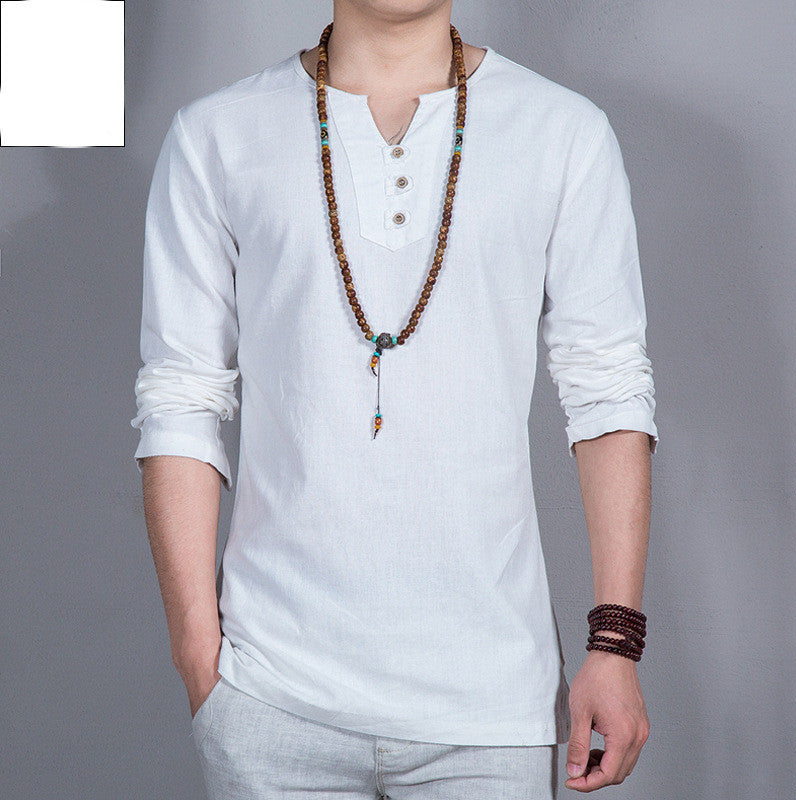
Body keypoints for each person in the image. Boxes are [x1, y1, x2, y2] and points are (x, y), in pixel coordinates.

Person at [130, 2, 658, 797]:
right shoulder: (216, 136)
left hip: (490, 706)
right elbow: (180, 394)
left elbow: (608, 393)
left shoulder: (562, 133)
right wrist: (198, 658)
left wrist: (614, 644)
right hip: (272, 696)